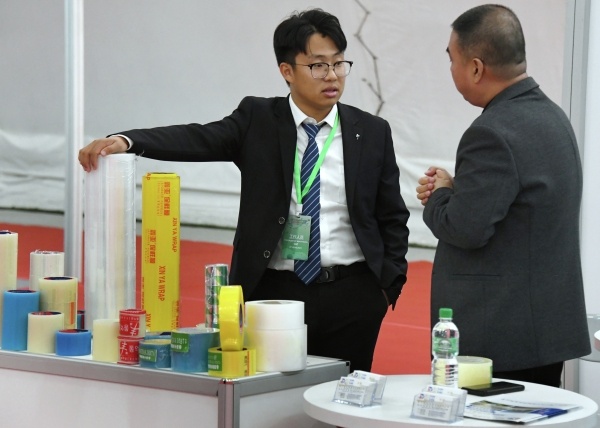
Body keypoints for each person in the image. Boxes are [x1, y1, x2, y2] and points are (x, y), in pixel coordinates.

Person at [79, 8, 410, 372]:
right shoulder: (258, 120)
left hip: (353, 295)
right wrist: (128, 140)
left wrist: (386, 287)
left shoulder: (371, 131)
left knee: (343, 394)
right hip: (274, 294)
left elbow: (392, 214)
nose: (332, 75)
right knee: (269, 391)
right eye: (318, 65)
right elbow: (197, 138)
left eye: (338, 64)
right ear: (287, 71)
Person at [416, 4, 590, 387]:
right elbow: (517, 209)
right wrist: (459, 189)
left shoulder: (491, 132)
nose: (451, 69)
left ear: (476, 68)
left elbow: (466, 229)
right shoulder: (553, 117)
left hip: (499, 338)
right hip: (540, 332)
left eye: (453, 60)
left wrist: (440, 196)